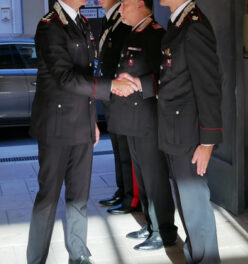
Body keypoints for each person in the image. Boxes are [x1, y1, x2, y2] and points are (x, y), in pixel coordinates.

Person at [26, 1, 138, 263]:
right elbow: (65, 77)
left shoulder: (83, 23)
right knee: (48, 197)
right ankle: (36, 258)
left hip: (81, 124)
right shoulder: (49, 26)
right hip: (55, 126)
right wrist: (111, 86)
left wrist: (92, 122)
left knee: (79, 195)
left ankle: (78, 253)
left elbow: (86, 76)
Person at [99, 0, 178, 251]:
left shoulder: (156, 34)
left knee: (155, 177)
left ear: (141, 5)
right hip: (133, 119)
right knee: (142, 177)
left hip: (148, 118)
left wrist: (137, 82)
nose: (120, 10)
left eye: (125, 5)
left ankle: (164, 230)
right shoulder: (134, 31)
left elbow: (165, 76)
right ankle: (151, 223)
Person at [158, 0, 222, 262]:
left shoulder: (193, 26)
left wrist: (207, 142)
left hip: (189, 136)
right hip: (176, 131)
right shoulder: (178, 22)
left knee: (196, 209)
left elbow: (208, 85)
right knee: (187, 207)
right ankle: (195, 256)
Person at [96, 0, 140, 215]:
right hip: (109, 92)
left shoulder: (123, 19)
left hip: (121, 95)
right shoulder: (109, 19)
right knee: (117, 148)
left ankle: (132, 198)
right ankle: (122, 191)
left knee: (126, 151)